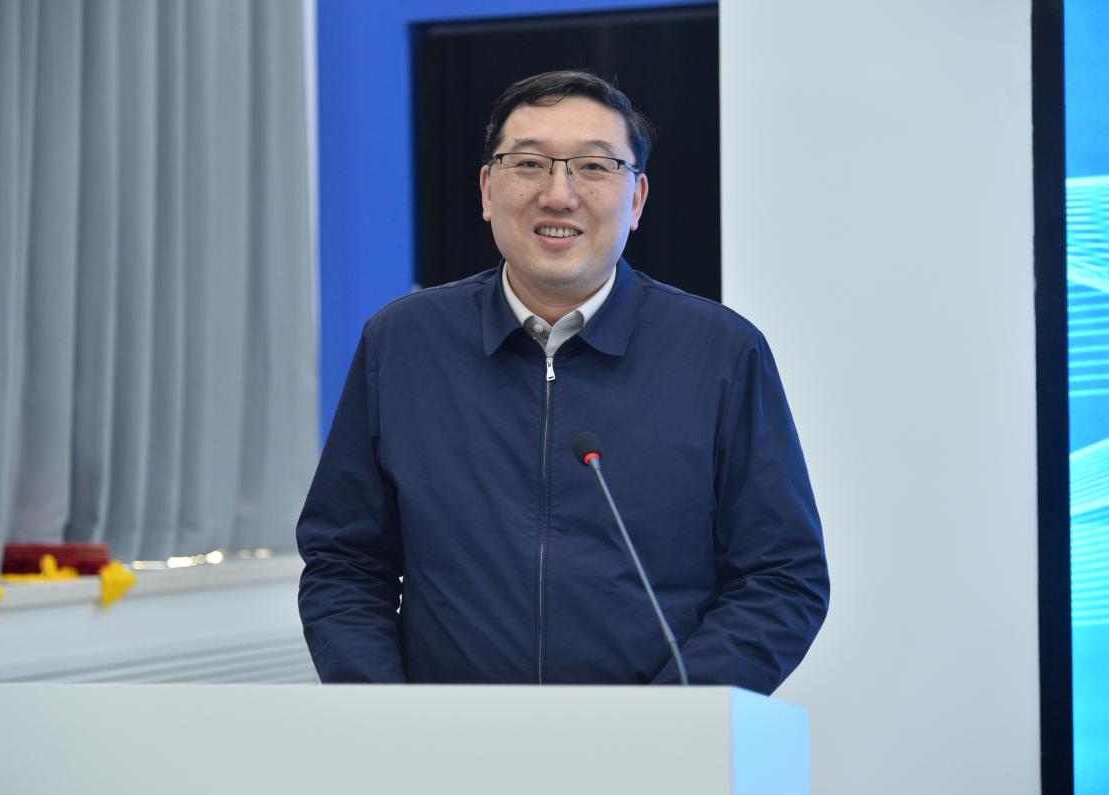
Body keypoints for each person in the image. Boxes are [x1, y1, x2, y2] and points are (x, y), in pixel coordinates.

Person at [297, 70, 828, 692]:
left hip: (653, 741)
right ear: (487, 190)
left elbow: (781, 577)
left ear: (637, 199)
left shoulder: (721, 352)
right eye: (529, 164)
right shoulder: (403, 343)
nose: (558, 194)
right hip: (447, 737)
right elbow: (344, 562)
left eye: (594, 167)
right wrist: (384, 712)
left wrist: (675, 718)